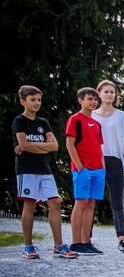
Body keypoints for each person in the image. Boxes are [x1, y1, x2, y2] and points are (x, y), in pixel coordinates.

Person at [12, 85, 77, 259]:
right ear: (23, 101)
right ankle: (28, 247)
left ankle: (59, 246)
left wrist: (31, 147)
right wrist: (39, 147)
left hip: (45, 170)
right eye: (32, 99)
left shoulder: (43, 123)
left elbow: (54, 146)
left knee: (55, 202)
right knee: (29, 205)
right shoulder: (19, 121)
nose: (36, 103)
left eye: (39, 99)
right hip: (27, 170)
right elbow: (23, 145)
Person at [92, 80, 124, 253]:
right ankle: (86, 238)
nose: (110, 94)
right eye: (106, 91)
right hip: (95, 160)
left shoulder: (122, 116)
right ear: (99, 94)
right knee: (92, 200)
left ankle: (122, 239)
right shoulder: (92, 115)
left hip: (116, 160)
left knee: (117, 201)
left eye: (112, 92)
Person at [65, 87, 106, 255]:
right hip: (83, 169)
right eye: (90, 98)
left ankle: (85, 241)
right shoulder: (75, 119)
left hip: (98, 170)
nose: (94, 102)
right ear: (81, 100)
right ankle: (75, 242)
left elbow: (99, 147)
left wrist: (102, 166)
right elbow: (70, 144)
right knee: (81, 203)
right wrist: (80, 166)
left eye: (96, 99)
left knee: (91, 204)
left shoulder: (97, 124)